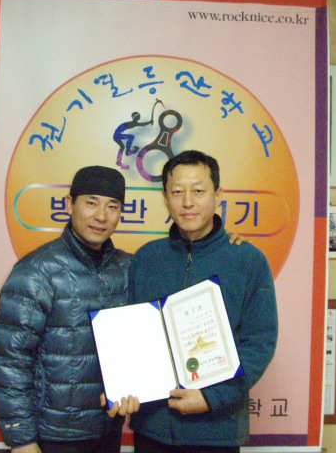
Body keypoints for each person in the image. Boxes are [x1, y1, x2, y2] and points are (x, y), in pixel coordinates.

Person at [0, 165, 246, 453]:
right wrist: (22, 440)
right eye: (91, 203)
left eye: (112, 206)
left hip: (108, 428)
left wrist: (224, 244)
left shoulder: (129, 267)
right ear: (70, 204)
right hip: (53, 435)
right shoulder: (36, 272)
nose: (101, 216)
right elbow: (10, 361)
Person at [118, 150, 279, 453]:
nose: (188, 202)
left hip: (216, 431)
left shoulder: (247, 260)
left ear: (218, 195)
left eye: (198, 191)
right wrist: (119, 384)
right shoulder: (147, 258)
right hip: (152, 428)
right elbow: (129, 337)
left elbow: (260, 343)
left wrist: (212, 398)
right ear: (165, 198)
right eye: (177, 192)